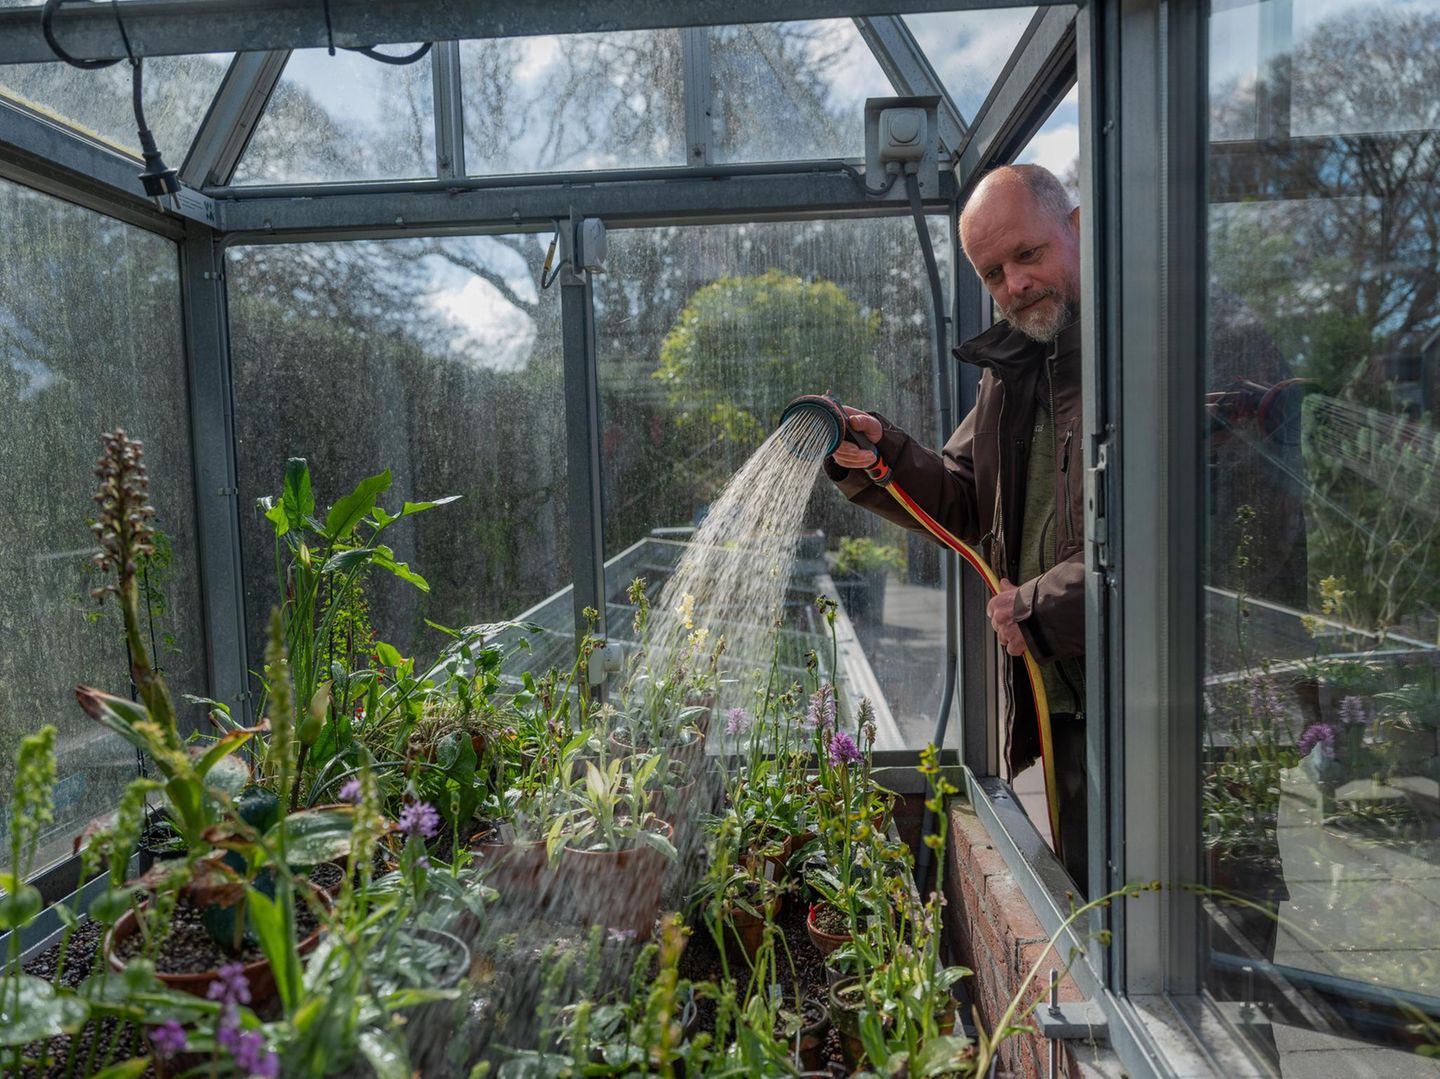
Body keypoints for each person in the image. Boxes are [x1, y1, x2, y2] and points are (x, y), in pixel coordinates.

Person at [825, 164, 1089, 890]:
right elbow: (964, 496)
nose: (1014, 286)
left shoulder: (1143, 351)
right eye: (993, 272)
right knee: (1093, 904)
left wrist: (1038, 608)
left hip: (1158, 703)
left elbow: (1176, 547)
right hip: (1060, 693)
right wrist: (879, 454)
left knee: (1180, 925)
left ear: (1078, 226)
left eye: (1027, 256)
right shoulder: (1015, 368)